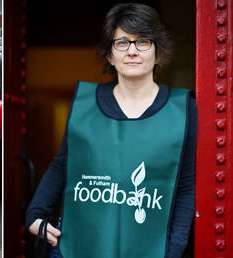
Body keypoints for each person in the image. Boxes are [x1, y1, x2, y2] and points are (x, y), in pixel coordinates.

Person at [26, 3, 196, 258]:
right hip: (79, 247)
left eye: (143, 42)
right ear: (109, 55)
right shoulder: (84, 103)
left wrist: (174, 249)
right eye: (122, 43)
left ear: (158, 53)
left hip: (150, 250)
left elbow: (185, 184)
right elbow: (63, 164)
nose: (132, 51)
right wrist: (34, 213)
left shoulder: (183, 109)